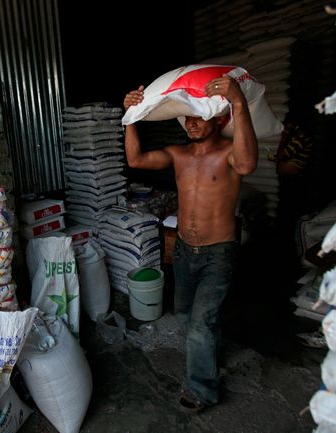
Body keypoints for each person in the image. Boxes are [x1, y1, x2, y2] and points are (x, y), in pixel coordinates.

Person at [123, 76, 258, 412]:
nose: (192, 123)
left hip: (218, 254)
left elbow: (248, 164)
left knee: (199, 324)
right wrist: (131, 117)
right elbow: (135, 160)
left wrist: (237, 100)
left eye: (199, 116)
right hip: (184, 251)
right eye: (188, 117)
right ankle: (206, 345)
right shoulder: (178, 153)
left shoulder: (229, 153)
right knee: (186, 316)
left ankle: (202, 390)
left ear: (216, 119)